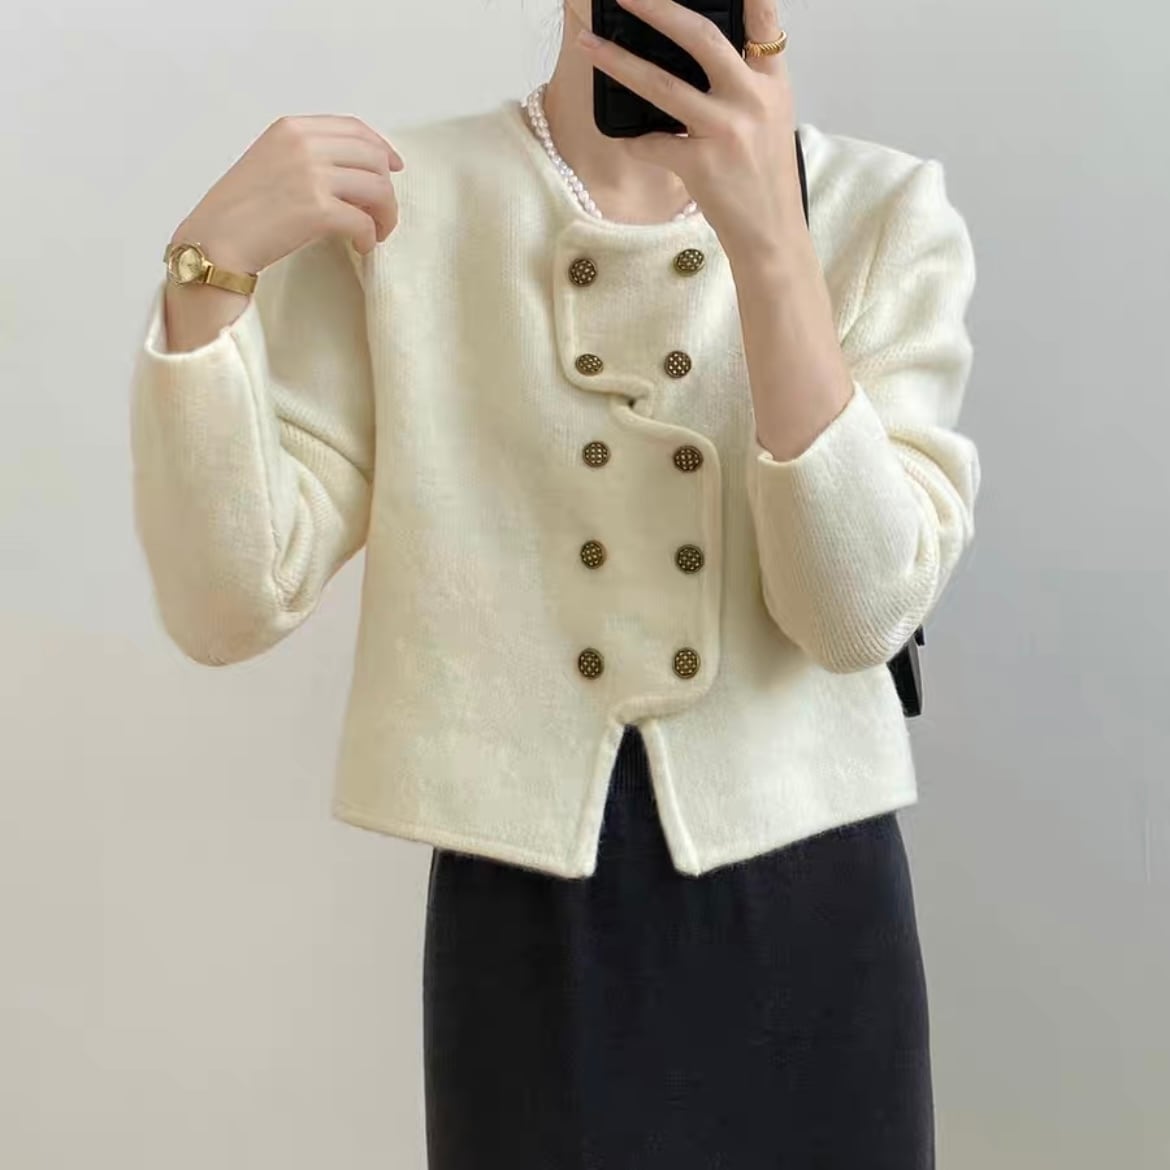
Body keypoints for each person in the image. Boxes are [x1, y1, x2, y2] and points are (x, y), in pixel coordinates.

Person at [129, 0, 980, 1165]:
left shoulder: (880, 211)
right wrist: (206, 279)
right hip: (528, 913)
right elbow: (227, 603)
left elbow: (855, 617)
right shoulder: (399, 210)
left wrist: (775, 248)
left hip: (815, 892)